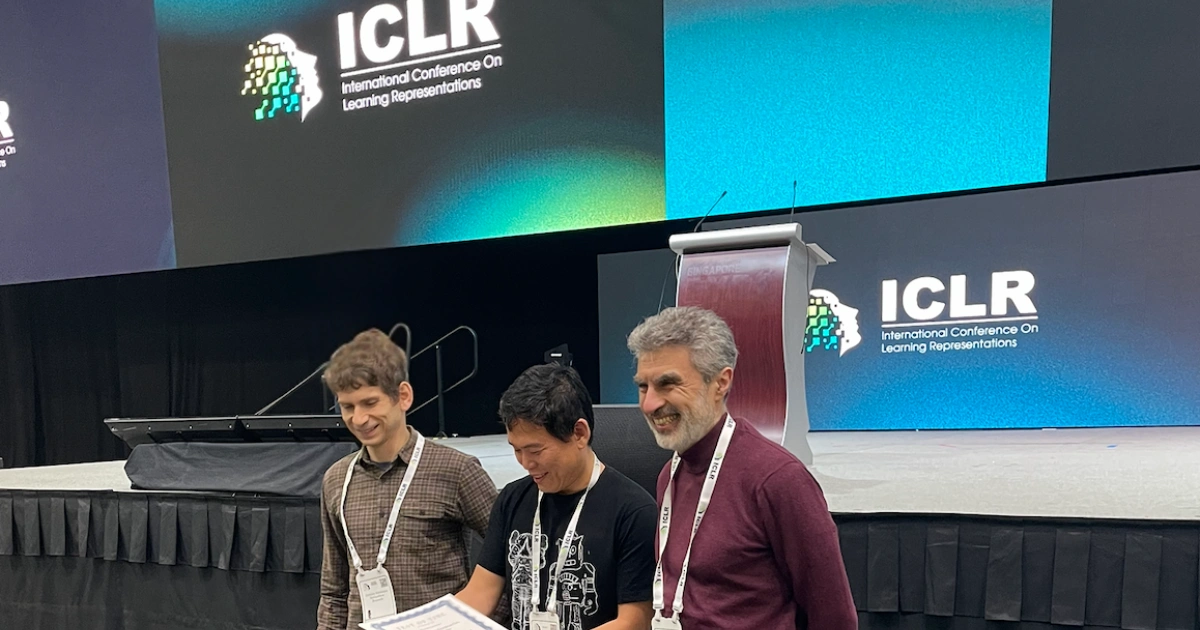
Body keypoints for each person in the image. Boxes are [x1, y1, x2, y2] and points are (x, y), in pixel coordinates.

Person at [626, 306, 857, 630]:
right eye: (643, 387)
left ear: (721, 382)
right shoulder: (670, 474)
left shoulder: (777, 480)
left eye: (668, 384)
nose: (649, 404)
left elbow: (835, 619)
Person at [316, 329, 499, 630]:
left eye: (370, 403)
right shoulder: (336, 480)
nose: (358, 419)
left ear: (403, 396)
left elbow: (509, 557)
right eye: (348, 406)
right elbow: (333, 591)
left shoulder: (456, 470)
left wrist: (480, 623)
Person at [457, 363, 658, 630]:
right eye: (516, 450)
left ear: (579, 433)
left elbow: (634, 621)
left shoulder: (633, 512)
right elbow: (480, 593)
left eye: (535, 451)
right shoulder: (512, 499)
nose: (525, 463)